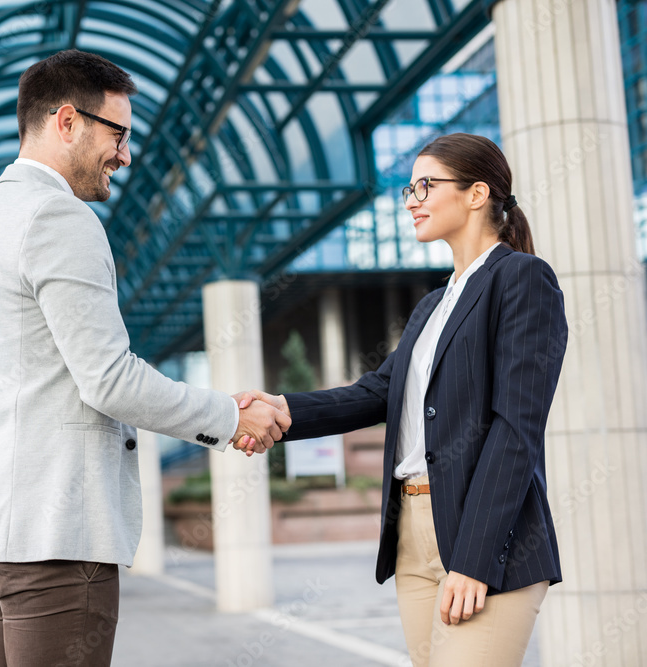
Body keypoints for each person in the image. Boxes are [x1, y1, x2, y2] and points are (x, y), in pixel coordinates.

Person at [0, 49, 289, 667]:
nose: (125, 155)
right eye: (118, 133)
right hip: (53, 536)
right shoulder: (57, 217)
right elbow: (109, 380)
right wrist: (230, 418)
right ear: (66, 121)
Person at [240, 133, 567, 666]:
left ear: (477, 193)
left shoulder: (522, 279)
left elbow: (516, 428)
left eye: (425, 185)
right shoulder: (434, 304)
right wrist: (280, 410)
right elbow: (377, 393)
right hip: (413, 535)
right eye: (408, 189)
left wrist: (475, 558)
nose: (411, 199)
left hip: (484, 534)